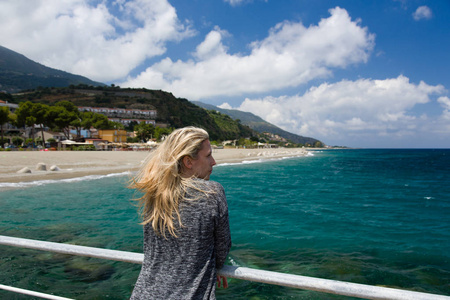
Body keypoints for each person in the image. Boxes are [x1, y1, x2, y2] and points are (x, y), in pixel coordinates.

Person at [129, 126, 231, 300]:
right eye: (208, 156)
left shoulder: (155, 192)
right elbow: (223, 244)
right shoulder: (211, 192)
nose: (213, 162)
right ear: (188, 161)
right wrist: (216, 265)